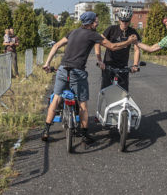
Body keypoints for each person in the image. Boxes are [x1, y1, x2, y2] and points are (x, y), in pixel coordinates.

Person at [41, 11, 137, 143]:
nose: (97, 23)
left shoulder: (73, 32)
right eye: (96, 21)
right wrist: (129, 41)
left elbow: (56, 45)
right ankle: (85, 134)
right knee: (83, 104)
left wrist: (47, 63)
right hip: (77, 71)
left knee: (56, 98)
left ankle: (46, 130)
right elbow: (113, 47)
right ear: (91, 23)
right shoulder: (93, 35)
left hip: (63, 69)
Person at [94, 6, 141, 91]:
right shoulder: (111, 29)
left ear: (130, 20)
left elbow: (137, 49)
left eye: (127, 21)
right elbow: (97, 42)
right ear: (119, 19)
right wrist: (99, 60)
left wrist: (135, 65)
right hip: (108, 66)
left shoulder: (133, 32)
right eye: (122, 20)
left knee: (124, 94)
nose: (124, 23)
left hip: (123, 67)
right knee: (105, 92)